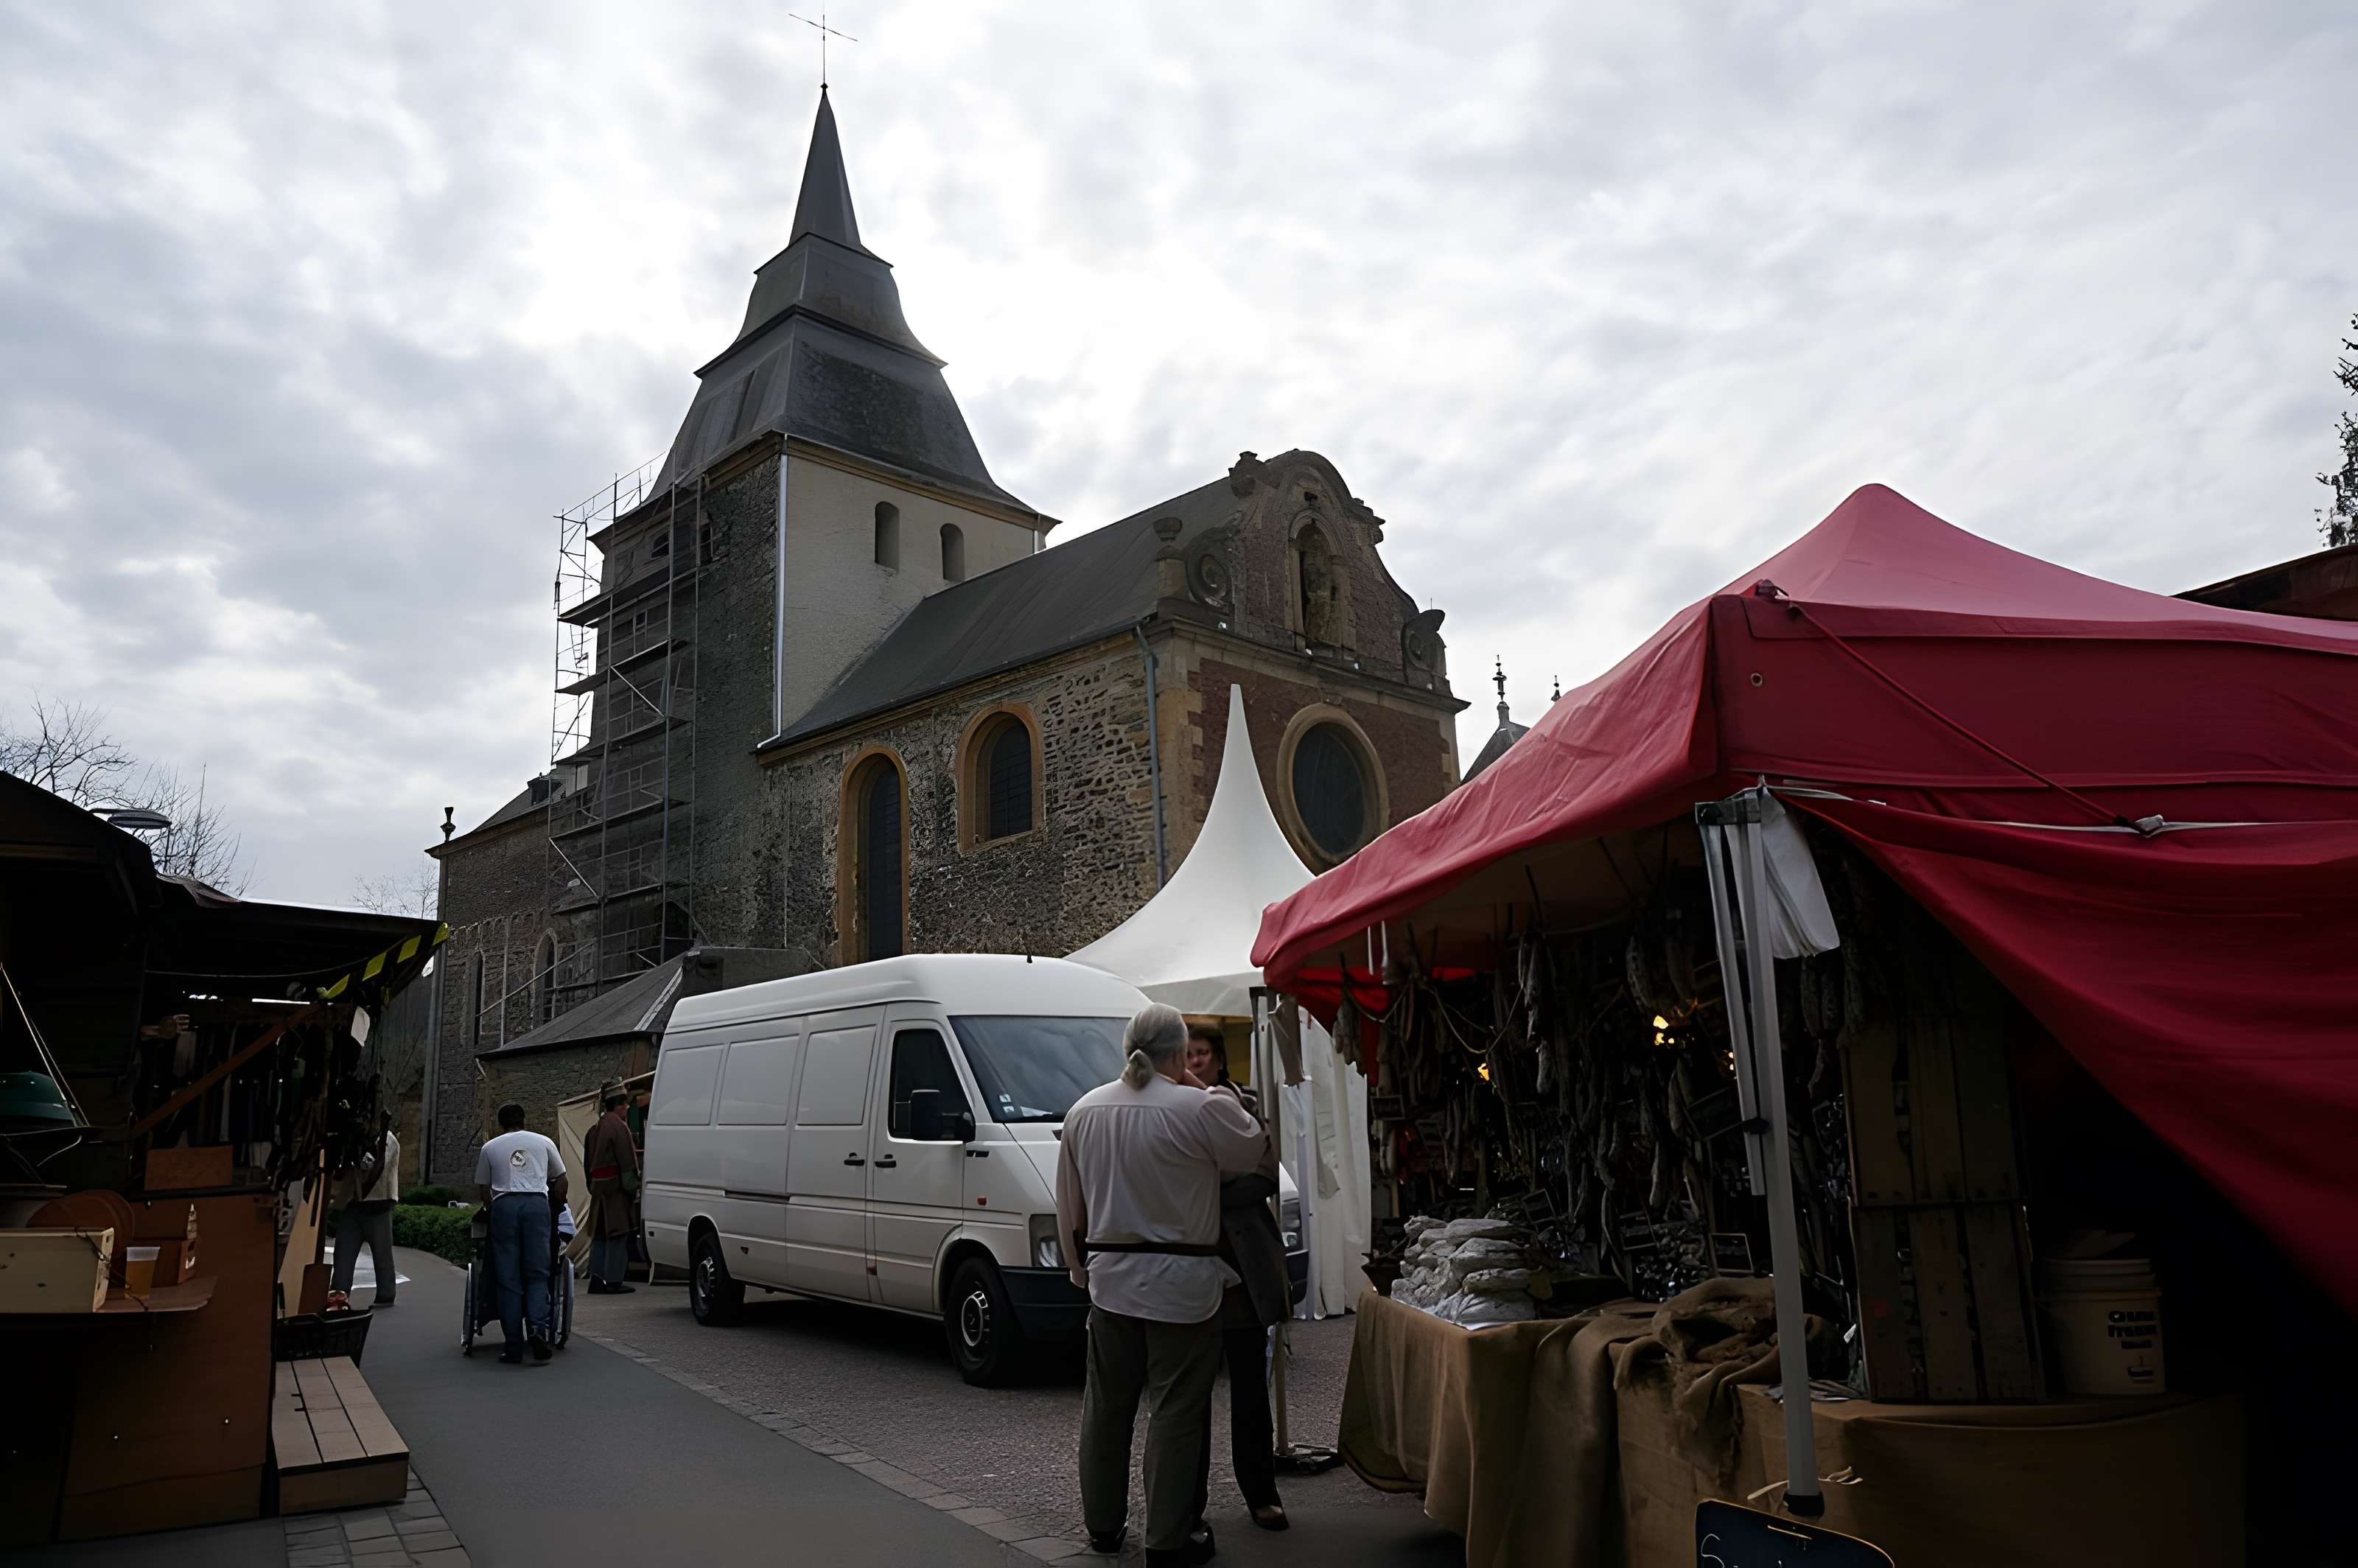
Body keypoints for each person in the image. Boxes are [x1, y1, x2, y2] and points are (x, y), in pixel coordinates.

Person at [1056, 1003, 1273, 1567]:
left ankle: (1104, 1526)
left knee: (1107, 1409)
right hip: (1183, 1282)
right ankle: (1169, 1537)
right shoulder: (1197, 1107)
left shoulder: (1085, 1111)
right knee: (1176, 1409)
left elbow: (1070, 1210)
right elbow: (1251, 1149)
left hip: (1111, 1279)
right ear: (1179, 1053)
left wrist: (1083, 1275)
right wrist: (1210, 1089)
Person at [1182, 1023, 1290, 1533]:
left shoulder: (1242, 1105)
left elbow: (1267, 1174)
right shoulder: (1172, 1109)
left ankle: (1261, 1492)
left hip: (1244, 1267)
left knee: (1250, 1388)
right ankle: (1189, 1503)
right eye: (1186, 1055)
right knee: (1191, 1394)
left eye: (1201, 1054)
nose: (1194, 1063)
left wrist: (1208, 1191)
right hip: (1194, 1267)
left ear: (1219, 1059)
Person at [475, 1102, 567, 1365]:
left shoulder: (490, 1147)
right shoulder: (544, 1142)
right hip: (537, 1205)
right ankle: (538, 1330)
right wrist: (556, 1204)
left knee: (508, 1279)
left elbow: (484, 1191)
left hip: (504, 1205)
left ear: (500, 1123)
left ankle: (513, 1346)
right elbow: (561, 1180)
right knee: (538, 1273)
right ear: (524, 1120)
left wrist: (493, 1208)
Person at [332, 1112, 400, 1308]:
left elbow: (375, 1167)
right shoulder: (357, 1139)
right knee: (343, 1253)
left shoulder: (387, 1140)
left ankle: (386, 1294)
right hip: (353, 1206)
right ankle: (339, 1293)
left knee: (382, 1254)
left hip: (377, 1204)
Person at [582, 1079, 640, 1295]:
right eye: (626, 1104)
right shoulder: (619, 1127)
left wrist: (593, 1187)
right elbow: (628, 1164)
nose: (627, 1108)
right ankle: (614, 1281)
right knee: (617, 1235)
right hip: (615, 1190)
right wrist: (632, 1190)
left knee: (599, 1236)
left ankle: (597, 1279)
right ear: (620, 1105)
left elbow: (587, 1165)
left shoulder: (594, 1129)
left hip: (598, 1190)